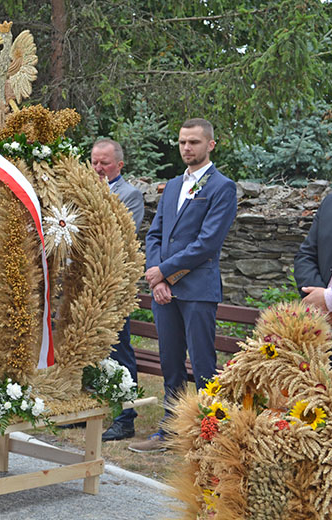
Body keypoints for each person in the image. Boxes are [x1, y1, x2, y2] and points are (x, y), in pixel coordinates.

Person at [129, 118, 237, 453]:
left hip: (198, 291)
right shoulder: (173, 185)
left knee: (203, 363)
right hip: (165, 291)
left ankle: (209, 433)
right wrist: (155, 275)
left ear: (210, 145)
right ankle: (171, 429)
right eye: (182, 142)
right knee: (170, 361)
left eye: (194, 142)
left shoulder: (222, 187)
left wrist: (163, 272)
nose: (187, 148)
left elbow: (207, 243)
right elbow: (156, 234)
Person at [90, 139, 144, 442]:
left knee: (120, 349)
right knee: (85, 349)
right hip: (85, 285)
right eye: (95, 162)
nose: (99, 168)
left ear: (119, 165)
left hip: (113, 285)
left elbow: (120, 235)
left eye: (105, 163)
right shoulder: (82, 192)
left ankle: (126, 417)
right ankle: (88, 414)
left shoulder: (130, 195)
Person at [294, 192, 332, 365]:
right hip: (322, 333)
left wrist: (330, 299)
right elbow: (306, 256)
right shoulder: (331, 202)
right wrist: (321, 306)